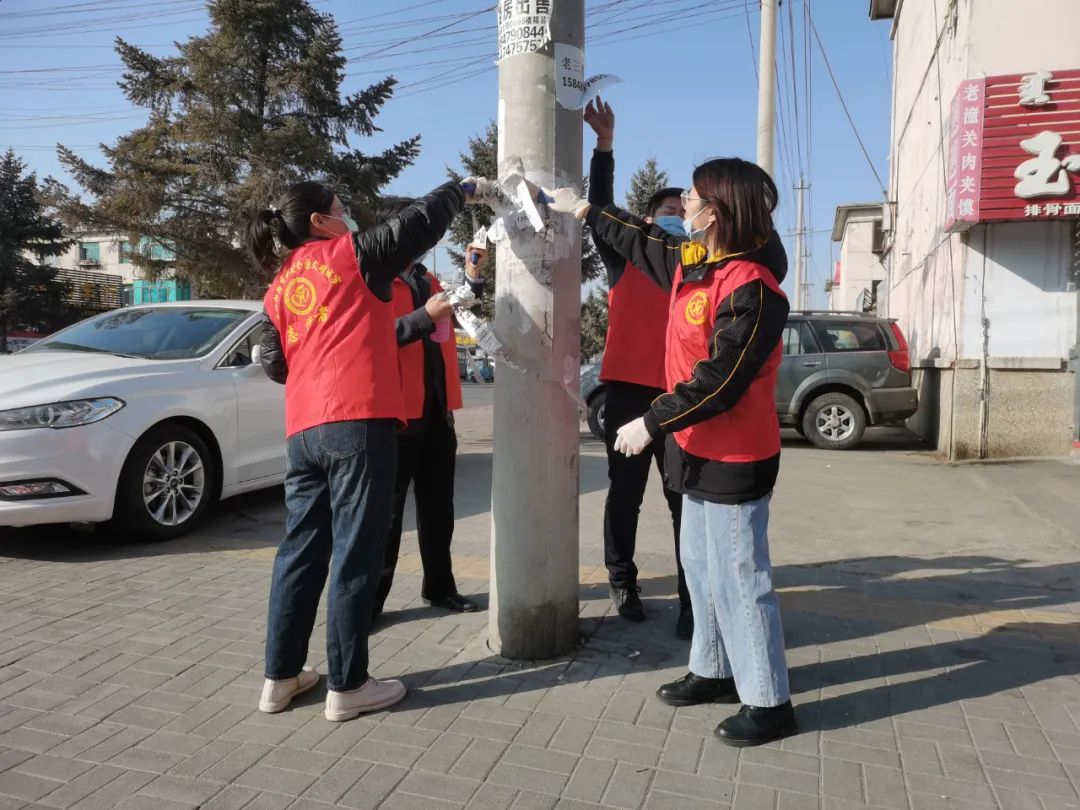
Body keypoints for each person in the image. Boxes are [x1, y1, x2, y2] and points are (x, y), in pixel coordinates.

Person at [546, 158, 796, 746]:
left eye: (695, 193)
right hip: (693, 449)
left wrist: (651, 422)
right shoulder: (696, 264)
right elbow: (645, 240)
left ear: (719, 211)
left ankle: (768, 699)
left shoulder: (753, 288)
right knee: (704, 572)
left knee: (741, 577)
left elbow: (721, 379)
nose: (684, 200)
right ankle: (712, 669)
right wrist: (588, 210)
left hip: (734, 455)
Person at [249, 177, 487, 722]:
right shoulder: (349, 256)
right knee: (357, 552)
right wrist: (465, 188)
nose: (348, 215)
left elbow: (275, 364)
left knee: (300, 552)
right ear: (318, 222)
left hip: (304, 430)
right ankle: (348, 685)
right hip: (358, 420)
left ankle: (279, 678)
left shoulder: (279, 285)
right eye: (341, 208)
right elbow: (419, 221)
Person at [583, 98, 692, 639]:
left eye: (684, 210)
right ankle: (622, 581)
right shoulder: (626, 257)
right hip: (627, 393)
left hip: (681, 399)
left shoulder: (696, 264)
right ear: (649, 221)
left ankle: (691, 596)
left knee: (683, 500)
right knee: (625, 494)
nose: (678, 216)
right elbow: (599, 208)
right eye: (668, 209)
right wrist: (605, 146)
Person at [372, 197, 484, 620]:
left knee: (440, 511)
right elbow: (374, 338)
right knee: (387, 516)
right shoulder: (374, 281)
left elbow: (456, 311)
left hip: (437, 411)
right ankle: (371, 602)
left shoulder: (425, 278)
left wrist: (473, 276)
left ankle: (440, 588)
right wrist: (422, 316)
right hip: (396, 415)